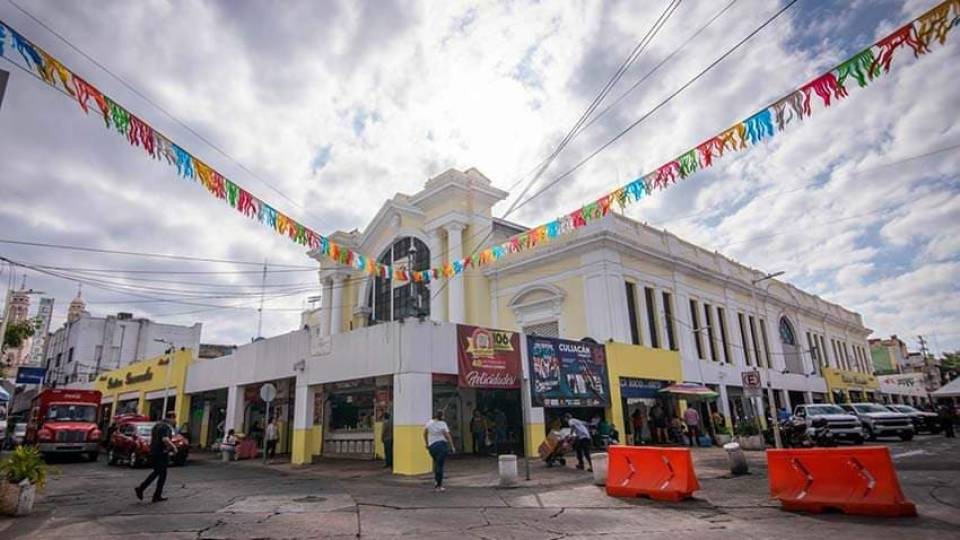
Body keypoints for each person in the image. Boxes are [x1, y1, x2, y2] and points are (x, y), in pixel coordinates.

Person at [135, 411, 177, 503]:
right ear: (171, 418)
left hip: (154, 452)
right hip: (161, 453)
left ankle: (153, 493)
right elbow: (165, 439)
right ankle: (145, 490)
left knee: (159, 473)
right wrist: (173, 447)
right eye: (174, 418)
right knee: (160, 473)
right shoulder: (165, 427)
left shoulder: (157, 425)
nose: (174, 421)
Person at [424, 410, 455, 492]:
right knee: (440, 466)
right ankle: (439, 485)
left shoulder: (429, 423)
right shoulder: (443, 424)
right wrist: (452, 446)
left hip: (432, 447)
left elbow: (424, 433)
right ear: (442, 416)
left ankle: (436, 481)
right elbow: (447, 435)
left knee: (435, 463)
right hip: (441, 446)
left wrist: (427, 444)